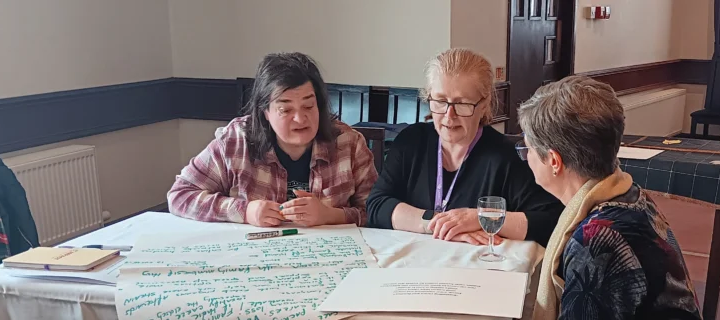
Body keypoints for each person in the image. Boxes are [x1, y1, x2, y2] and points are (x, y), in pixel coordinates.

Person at [507, 75, 715, 320]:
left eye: (528, 149)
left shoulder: (596, 239)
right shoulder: (626, 193)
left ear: (553, 161)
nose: (526, 157)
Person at [366, 48, 561, 246]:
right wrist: (441, 225)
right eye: (440, 101)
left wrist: (480, 218)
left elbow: (550, 220)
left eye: (462, 104)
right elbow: (377, 205)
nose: (449, 115)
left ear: (483, 105)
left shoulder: (507, 157)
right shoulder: (411, 141)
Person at [168, 52, 378, 227]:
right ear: (265, 112)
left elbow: (375, 212)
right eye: (285, 109)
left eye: (308, 106)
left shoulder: (349, 143)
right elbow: (180, 195)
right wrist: (245, 211)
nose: (300, 118)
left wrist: (329, 215)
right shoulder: (235, 141)